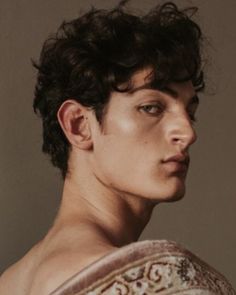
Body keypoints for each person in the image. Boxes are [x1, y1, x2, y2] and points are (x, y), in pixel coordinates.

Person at [0, 1, 235, 294]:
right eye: (151, 107)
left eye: (190, 112)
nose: (187, 132)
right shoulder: (160, 282)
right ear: (78, 125)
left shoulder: (11, 281)